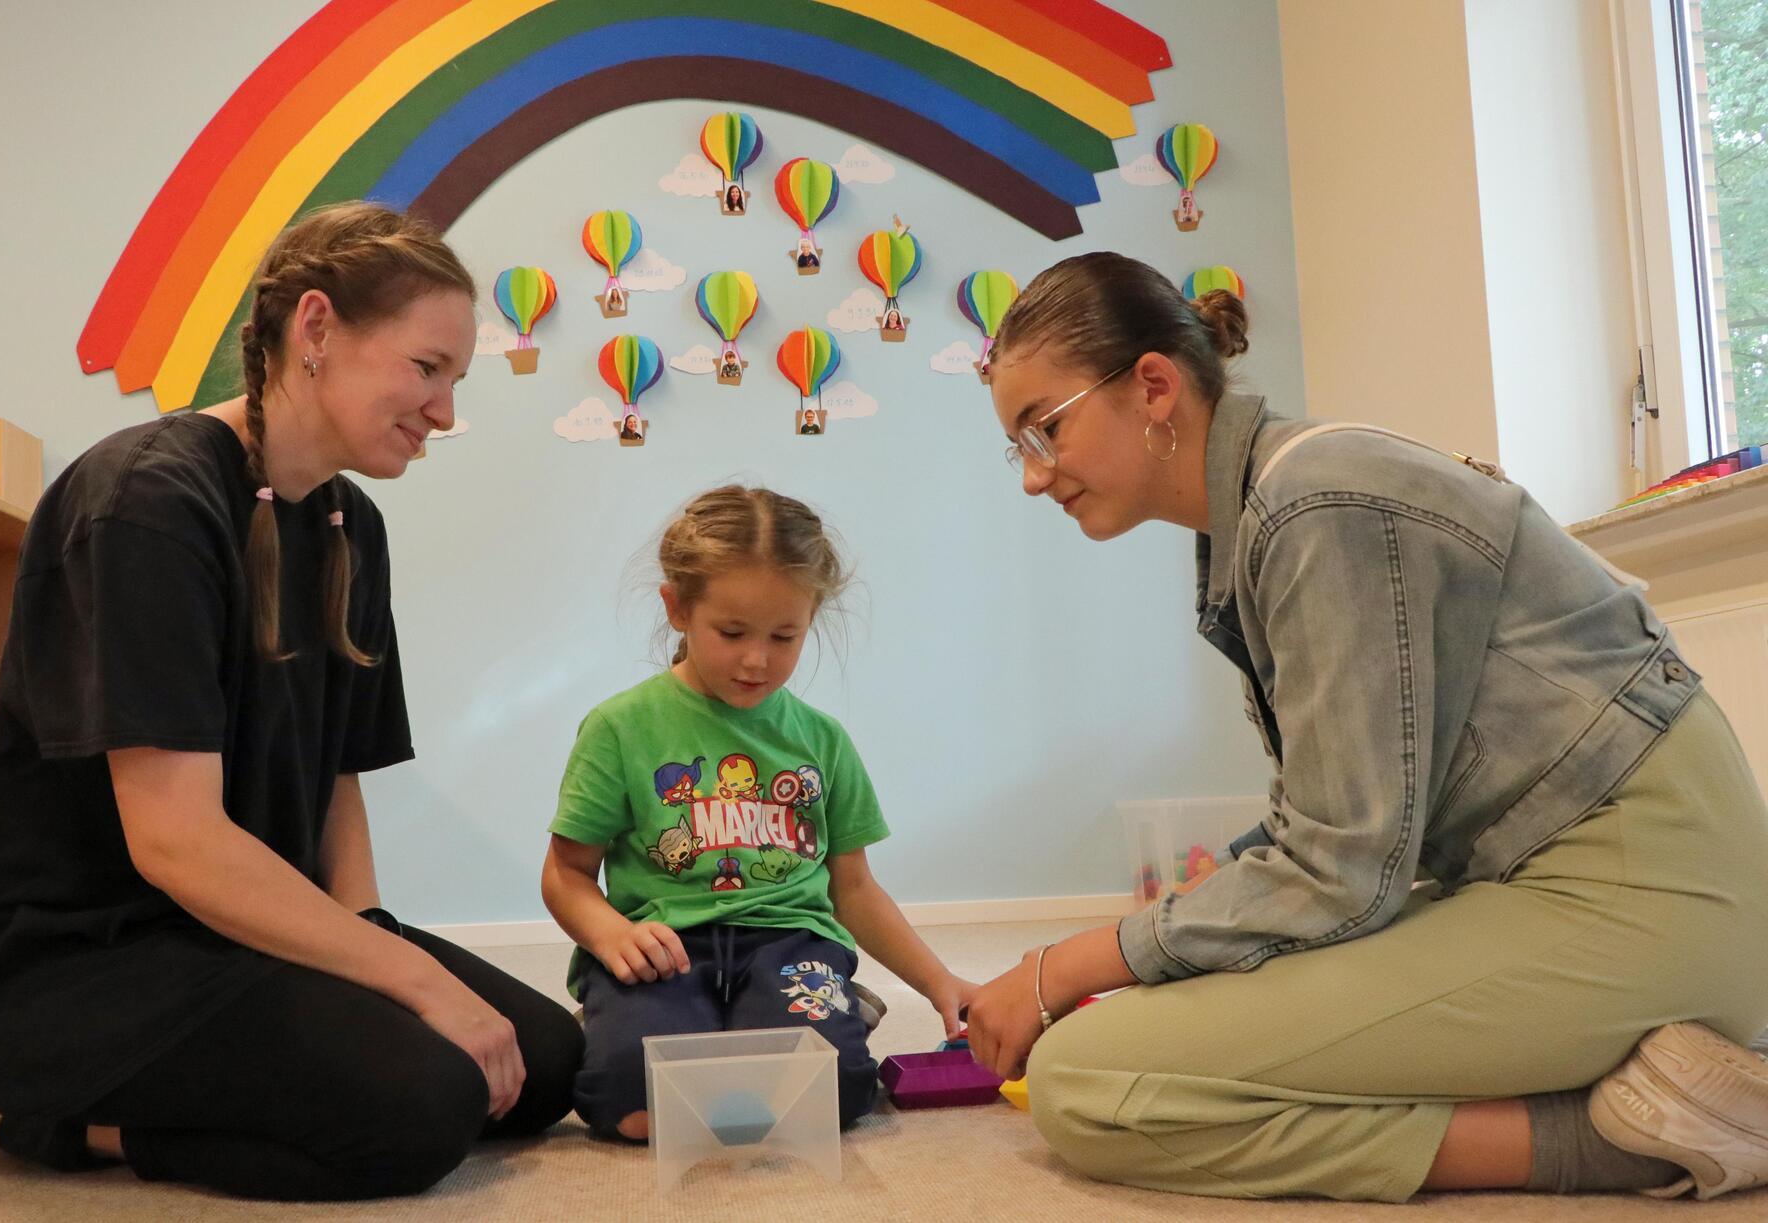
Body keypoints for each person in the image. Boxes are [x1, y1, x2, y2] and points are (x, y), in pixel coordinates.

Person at [968, 251, 1768, 1203]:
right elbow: (1334, 824)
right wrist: (1167, 943)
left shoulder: (1315, 501)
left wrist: (1062, 967)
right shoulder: (1272, 507)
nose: (1032, 476)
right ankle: (1640, 1083)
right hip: (1569, 876)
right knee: (1160, 1013)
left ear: (1151, 384)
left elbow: (1340, 871)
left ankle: (1604, 1140)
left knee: (1091, 1081)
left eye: (1043, 431)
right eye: (1018, 445)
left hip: (1643, 889)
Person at [0, 202, 583, 1201]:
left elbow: (334, 780)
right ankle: (54, 1114)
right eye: (427, 368)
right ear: (316, 329)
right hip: (78, 967)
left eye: (456, 380)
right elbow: (176, 842)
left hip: (231, 933)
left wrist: (375, 938)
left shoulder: (348, 522)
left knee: (542, 1062)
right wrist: (408, 985)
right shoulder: (148, 500)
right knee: (423, 1107)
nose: (446, 412)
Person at [542, 486, 976, 1140]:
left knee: (840, 1092)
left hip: (789, 941)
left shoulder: (821, 740)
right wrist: (609, 934)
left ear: (812, 618)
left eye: (784, 636)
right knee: (623, 1099)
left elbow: (853, 886)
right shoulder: (619, 727)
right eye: (732, 632)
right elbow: (566, 873)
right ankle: (646, 1017)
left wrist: (940, 981)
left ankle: (808, 1006)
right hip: (666, 948)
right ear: (678, 607)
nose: (756, 659)